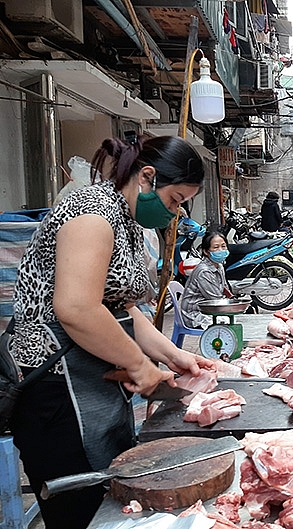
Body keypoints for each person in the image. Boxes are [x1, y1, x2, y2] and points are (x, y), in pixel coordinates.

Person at [7, 134, 215, 529]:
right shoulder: (92, 211)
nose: (175, 212)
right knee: (82, 513)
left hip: (93, 383)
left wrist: (173, 357)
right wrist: (139, 365)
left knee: (112, 500)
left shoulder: (126, 219)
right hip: (56, 389)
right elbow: (78, 309)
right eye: (174, 200)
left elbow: (121, 310)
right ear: (148, 177)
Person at [181, 231, 232, 329]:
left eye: (223, 246)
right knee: (231, 322)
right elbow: (215, 299)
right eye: (216, 247)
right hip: (195, 315)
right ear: (206, 251)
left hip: (210, 308)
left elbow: (224, 289)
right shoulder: (204, 271)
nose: (221, 250)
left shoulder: (219, 265)